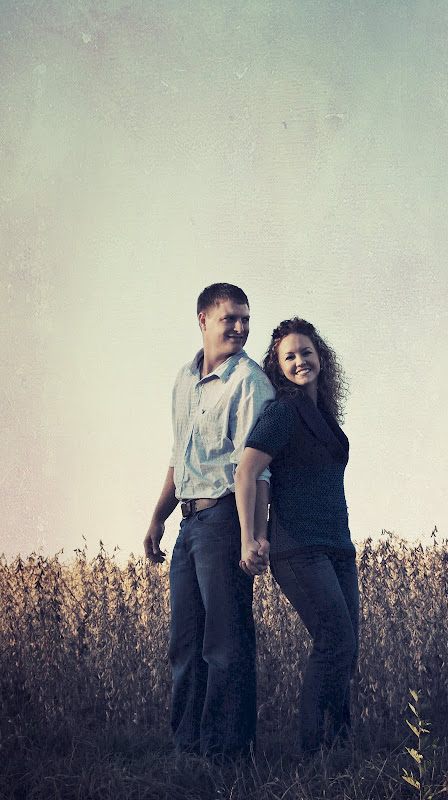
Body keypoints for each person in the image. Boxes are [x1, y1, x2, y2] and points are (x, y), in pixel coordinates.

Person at [143, 283, 274, 759]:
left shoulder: (251, 383)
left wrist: (251, 537)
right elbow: (179, 456)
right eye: (229, 318)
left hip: (224, 521)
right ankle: (188, 751)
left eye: (245, 319)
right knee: (184, 644)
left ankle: (228, 756)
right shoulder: (184, 379)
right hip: (188, 524)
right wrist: (158, 518)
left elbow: (258, 472)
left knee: (225, 644)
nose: (239, 327)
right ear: (203, 320)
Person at [235, 317, 359, 755]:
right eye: (289, 356)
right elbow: (246, 473)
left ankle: (339, 748)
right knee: (334, 641)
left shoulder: (323, 415)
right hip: (298, 548)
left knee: (347, 648)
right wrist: (250, 537)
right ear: (278, 367)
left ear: (321, 357)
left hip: (338, 546)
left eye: (306, 352)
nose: (300, 360)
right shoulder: (282, 412)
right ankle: (314, 752)